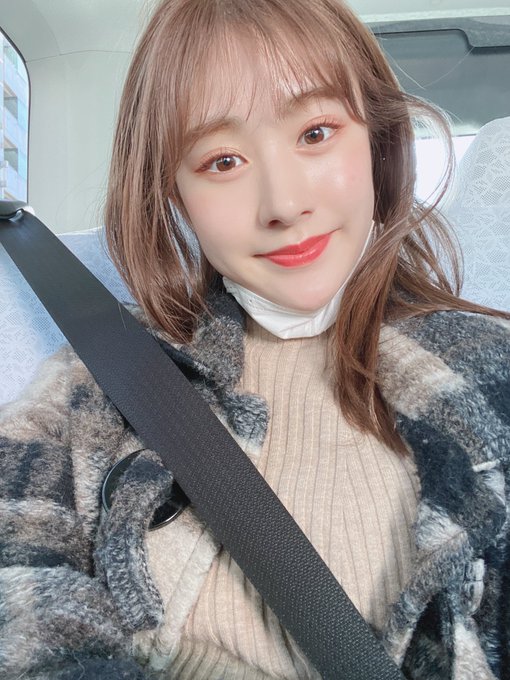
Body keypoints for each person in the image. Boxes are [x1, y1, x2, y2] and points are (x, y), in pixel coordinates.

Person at [1, 0, 509, 678]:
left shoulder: (491, 365)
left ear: (379, 142)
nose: (283, 205)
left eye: (316, 132)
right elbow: (20, 594)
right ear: (174, 193)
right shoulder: (88, 383)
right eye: (223, 161)